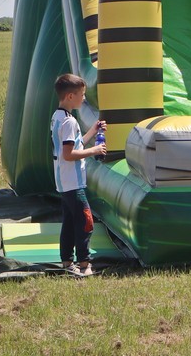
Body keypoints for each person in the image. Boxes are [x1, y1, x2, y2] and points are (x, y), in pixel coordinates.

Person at [50, 73, 107, 277]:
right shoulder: (69, 122)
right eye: (82, 94)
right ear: (70, 96)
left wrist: (93, 130)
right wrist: (95, 151)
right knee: (85, 223)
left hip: (64, 182)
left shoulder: (58, 117)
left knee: (69, 223)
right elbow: (69, 154)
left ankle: (67, 262)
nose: (84, 98)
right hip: (73, 183)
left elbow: (76, 144)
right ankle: (84, 265)